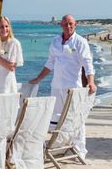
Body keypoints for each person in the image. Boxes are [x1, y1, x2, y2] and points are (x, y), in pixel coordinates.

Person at [29, 14, 96, 159]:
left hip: (73, 88)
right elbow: (50, 63)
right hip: (56, 86)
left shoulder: (80, 42)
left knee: (76, 119)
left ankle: (79, 149)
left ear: (75, 24)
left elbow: (87, 64)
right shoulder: (55, 42)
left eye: (71, 24)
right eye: (65, 24)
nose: (68, 26)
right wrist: (38, 78)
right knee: (57, 118)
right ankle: (60, 145)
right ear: (61, 25)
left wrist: (91, 81)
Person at [0, 16, 23, 93]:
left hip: (7, 87)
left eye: (6, 26)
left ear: (9, 27)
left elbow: (11, 67)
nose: (4, 29)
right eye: (1, 27)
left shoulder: (14, 43)